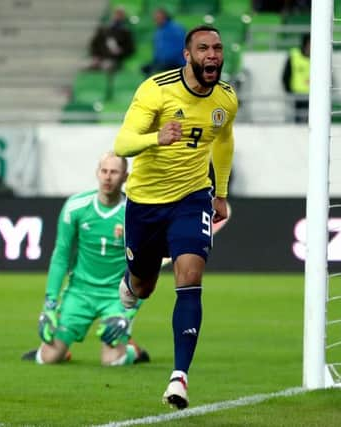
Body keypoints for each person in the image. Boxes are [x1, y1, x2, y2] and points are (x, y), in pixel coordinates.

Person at [113, 25, 238, 409]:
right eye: (203, 48)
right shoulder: (157, 89)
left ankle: (179, 377)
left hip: (192, 198)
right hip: (145, 204)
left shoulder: (226, 99)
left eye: (217, 47)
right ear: (188, 55)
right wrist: (156, 138)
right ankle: (131, 284)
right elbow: (121, 143)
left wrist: (220, 193)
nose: (212, 54)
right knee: (145, 284)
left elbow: (223, 139)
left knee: (190, 273)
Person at [21, 152, 149, 366]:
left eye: (114, 172)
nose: (108, 177)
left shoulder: (134, 214)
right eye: (104, 171)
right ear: (97, 173)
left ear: (125, 177)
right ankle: (62, 350)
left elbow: (146, 269)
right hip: (79, 292)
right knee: (47, 358)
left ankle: (132, 351)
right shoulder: (75, 207)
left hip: (115, 296)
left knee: (111, 361)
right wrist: (49, 305)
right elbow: (60, 256)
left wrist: (128, 314)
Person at [88, 6, 135, 71]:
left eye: (120, 15)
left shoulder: (125, 32)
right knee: (92, 66)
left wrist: (121, 51)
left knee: (107, 65)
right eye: (117, 14)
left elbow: (130, 48)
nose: (118, 17)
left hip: (114, 58)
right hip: (101, 57)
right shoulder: (103, 29)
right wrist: (96, 56)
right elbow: (95, 44)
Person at [141, 8, 186, 75]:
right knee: (145, 69)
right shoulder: (159, 31)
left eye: (158, 18)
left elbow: (182, 46)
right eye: (155, 18)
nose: (156, 20)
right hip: (162, 61)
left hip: (175, 62)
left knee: (155, 72)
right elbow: (158, 50)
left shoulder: (176, 29)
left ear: (165, 17)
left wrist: (166, 59)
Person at [282, 33, 310, 123]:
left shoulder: (320, 58)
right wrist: (289, 91)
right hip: (297, 95)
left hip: (314, 95)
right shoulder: (294, 55)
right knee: (298, 121)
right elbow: (286, 75)